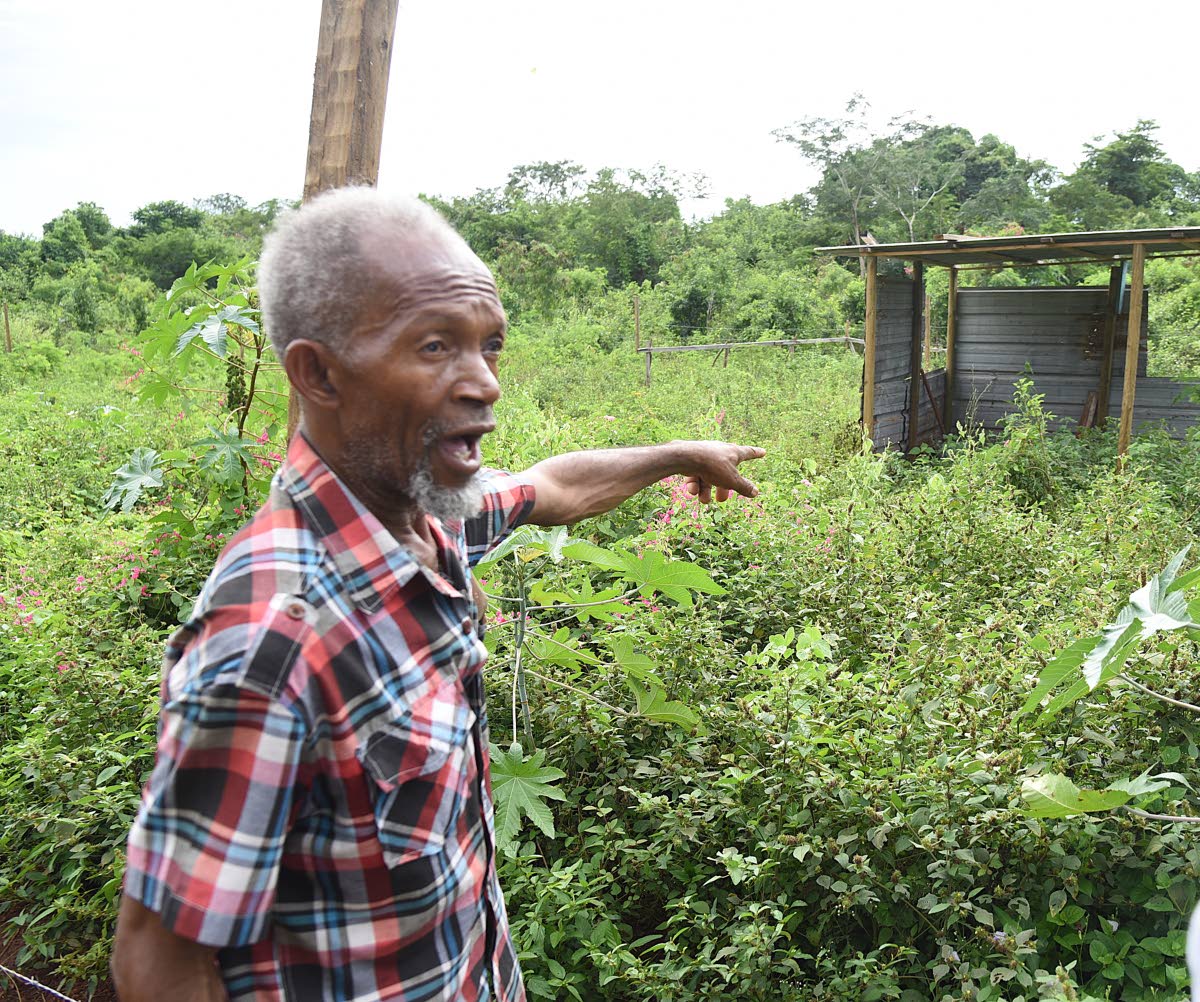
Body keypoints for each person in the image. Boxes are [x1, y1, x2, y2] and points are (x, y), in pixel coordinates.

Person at [110, 187, 764, 1002]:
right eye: (434, 346)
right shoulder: (272, 641)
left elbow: (548, 487)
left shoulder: (425, 522)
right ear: (318, 373)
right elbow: (162, 958)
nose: (484, 382)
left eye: (490, 345)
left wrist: (677, 454)